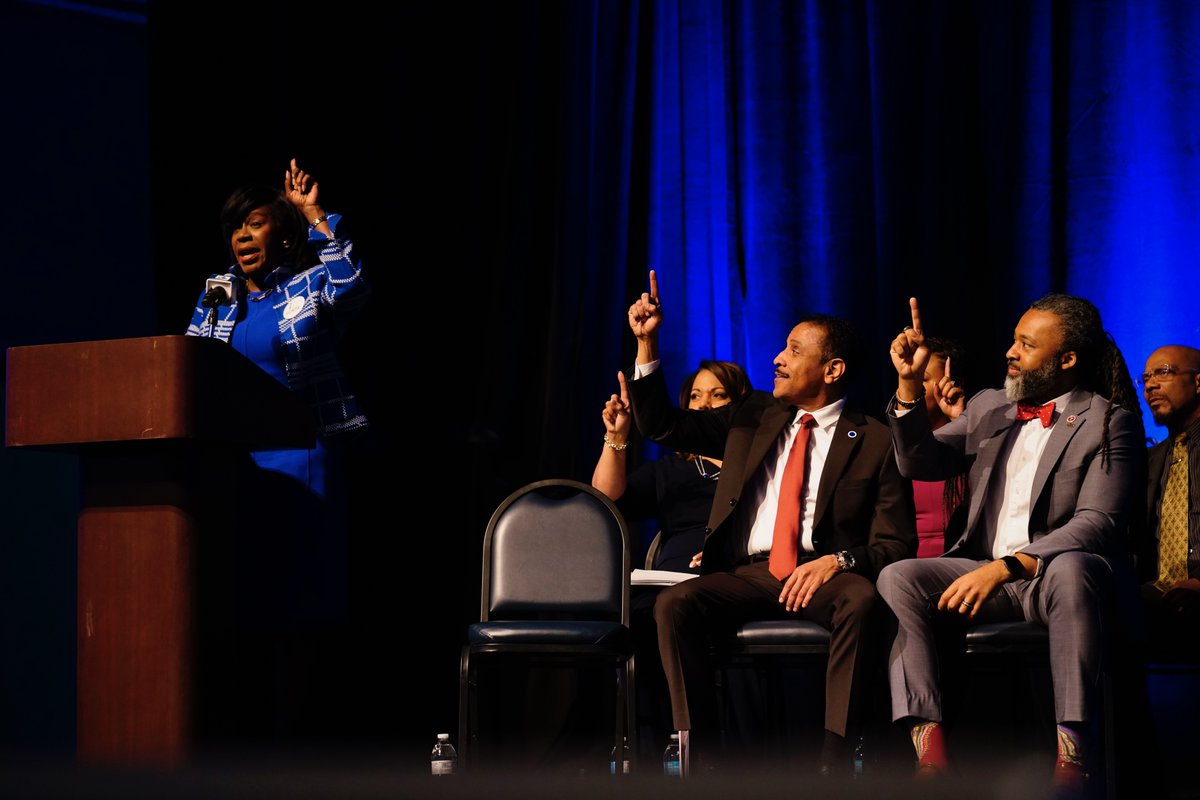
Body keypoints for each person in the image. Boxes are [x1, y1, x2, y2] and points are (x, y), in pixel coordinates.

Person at [625, 270, 917, 776]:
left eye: (794, 350)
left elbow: (895, 543)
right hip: (751, 572)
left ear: (832, 369)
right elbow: (664, 427)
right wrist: (647, 343)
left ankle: (834, 759)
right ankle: (706, 763)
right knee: (674, 604)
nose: (778, 359)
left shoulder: (873, 438)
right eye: (783, 348)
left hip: (823, 574)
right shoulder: (752, 414)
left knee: (862, 599)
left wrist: (837, 561)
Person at [878, 294, 1144, 796]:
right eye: (1013, 339)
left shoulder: (1108, 421)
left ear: (1067, 359)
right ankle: (930, 753)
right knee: (900, 575)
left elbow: (1098, 522)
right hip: (987, 572)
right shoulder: (988, 406)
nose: (1010, 352)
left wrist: (1006, 567)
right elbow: (920, 462)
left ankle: (1073, 758)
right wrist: (909, 386)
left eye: (1026, 344)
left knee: (1071, 568)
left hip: (1052, 579)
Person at [183, 160, 370, 738]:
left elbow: (355, 285)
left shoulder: (311, 284)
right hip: (237, 469)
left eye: (255, 224)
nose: (241, 236)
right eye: (234, 227)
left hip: (303, 461)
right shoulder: (217, 297)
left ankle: (302, 736)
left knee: (300, 611)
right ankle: (247, 734)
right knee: (244, 607)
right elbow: (187, 370)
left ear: (282, 234)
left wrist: (316, 214)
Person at [591, 360, 753, 760]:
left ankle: (728, 753)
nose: (703, 405)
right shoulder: (670, 469)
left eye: (718, 396)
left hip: (736, 578)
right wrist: (617, 436)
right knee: (638, 621)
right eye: (695, 397)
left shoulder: (759, 467)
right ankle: (663, 747)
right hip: (670, 582)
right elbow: (608, 501)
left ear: (739, 406)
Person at [1138, 344, 1200, 658]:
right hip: (1153, 599)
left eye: (1163, 373)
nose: (1150, 385)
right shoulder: (1148, 462)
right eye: (1146, 378)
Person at [912, 337, 968, 558]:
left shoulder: (975, 444)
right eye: (908, 377)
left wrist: (960, 421)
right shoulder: (886, 445)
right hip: (902, 567)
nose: (911, 385)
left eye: (922, 378)